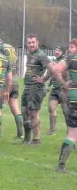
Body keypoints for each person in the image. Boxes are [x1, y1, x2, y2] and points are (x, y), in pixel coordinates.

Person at [19, 33, 51, 145]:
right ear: (26, 44)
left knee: (33, 112)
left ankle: (36, 139)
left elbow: (51, 68)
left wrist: (43, 79)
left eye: (33, 42)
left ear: (37, 42)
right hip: (27, 87)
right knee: (24, 111)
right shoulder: (29, 54)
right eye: (29, 42)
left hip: (36, 88)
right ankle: (27, 139)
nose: (31, 44)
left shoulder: (41, 55)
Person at [52, 39, 77, 173]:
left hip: (73, 99)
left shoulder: (71, 59)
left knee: (72, 134)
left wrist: (64, 83)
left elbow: (56, 69)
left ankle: (61, 165)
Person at [0, 34, 23, 139]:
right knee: (15, 107)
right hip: (14, 80)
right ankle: (20, 133)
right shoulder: (11, 47)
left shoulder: (0, 48)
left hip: (5, 80)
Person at [41, 46, 69, 135]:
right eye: (55, 50)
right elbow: (50, 75)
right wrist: (45, 83)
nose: (56, 52)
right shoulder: (53, 62)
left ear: (63, 52)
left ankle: (70, 130)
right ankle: (52, 130)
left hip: (64, 90)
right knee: (51, 108)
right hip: (55, 90)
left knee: (66, 112)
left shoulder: (66, 62)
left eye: (59, 51)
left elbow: (68, 74)